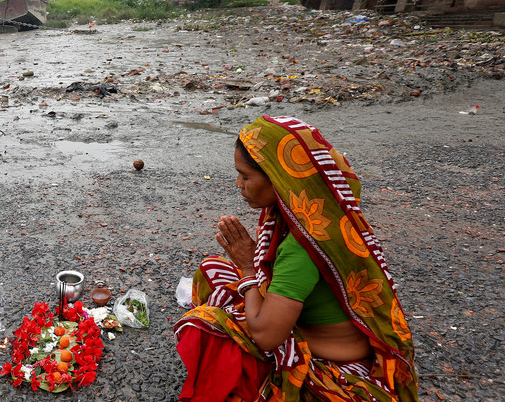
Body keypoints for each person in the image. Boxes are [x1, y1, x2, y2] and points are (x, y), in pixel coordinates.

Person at [175, 116, 417, 401]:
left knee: (204, 325)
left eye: (246, 175)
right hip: (320, 331)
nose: (238, 183)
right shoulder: (322, 217)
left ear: (279, 178)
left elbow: (266, 336)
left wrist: (247, 268)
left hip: (335, 368)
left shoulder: (302, 246)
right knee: (213, 269)